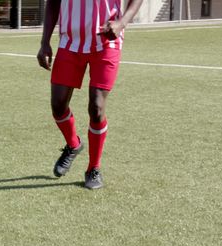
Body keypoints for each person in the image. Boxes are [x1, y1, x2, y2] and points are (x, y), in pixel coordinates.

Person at [37, 0, 143, 190]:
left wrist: (122, 22)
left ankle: (93, 168)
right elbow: (53, 3)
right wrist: (44, 41)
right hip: (70, 41)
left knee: (96, 107)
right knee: (58, 105)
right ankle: (73, 145)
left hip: (106, 40)